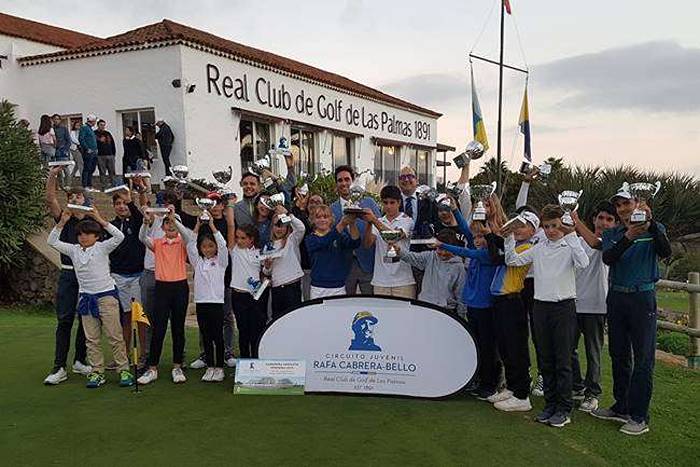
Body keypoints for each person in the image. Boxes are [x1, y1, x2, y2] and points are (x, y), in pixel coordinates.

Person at [592, 184, 672, 436]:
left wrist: (650, 224)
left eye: (627, 203)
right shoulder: (613, 234)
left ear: (638, 204)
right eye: (619, 205)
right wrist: (629, 236)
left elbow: (665, 251)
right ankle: (621, 406)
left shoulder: (655, 229)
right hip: (617, 297)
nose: (623, 209)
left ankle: (639, 416)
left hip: (642, 297)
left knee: (643, 359)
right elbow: (609, 258)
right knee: (618, 354)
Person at [506, 205, 590, 427]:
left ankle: (564, 409)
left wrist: (571, 234)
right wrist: (507, 238)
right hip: (540, 307)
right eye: (547, 226)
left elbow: (584, 263)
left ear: (561, 224)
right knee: (545, 359)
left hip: (563, 307)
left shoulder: (570, 245)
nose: (551, 230)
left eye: (555, 226)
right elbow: (513, 260)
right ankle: (550, 405)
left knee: (562, 361)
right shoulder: (539, 247)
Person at [47, 206, 133, 388]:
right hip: (86, 298)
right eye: (80, 234)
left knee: (114, 335)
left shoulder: (102, 247)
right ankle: (97, 372)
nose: (83, 237)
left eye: (88, 234)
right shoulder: (74, 250)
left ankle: (123, 369)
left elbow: (119, 237)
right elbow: (52, 241)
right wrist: (62, 222)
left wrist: (100, 219)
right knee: (91, 338)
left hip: (107, 297)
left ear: (96, 236)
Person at [437, 212, 501, 400]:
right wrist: (455, 209)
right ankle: (479, 379)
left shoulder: (488, 254)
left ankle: (490, 384)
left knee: (488, 347)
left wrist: (443, 245)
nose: (477, 240)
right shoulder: (477, 246)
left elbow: (465, 251)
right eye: (475, 237)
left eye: (482, 236)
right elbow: (465, 230)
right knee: (475, 345)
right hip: (472, 305)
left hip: (486, 307)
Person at [486, 210, 540, 411]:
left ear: (533, 231)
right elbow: (499, 248)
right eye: (516, 225)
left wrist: (500, 234)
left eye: (523, 226)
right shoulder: (515, 246)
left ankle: (522, 394)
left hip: (513, 301)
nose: (517, 229)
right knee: (505, 347)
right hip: (500, 301)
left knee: (516, 348)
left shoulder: (528, 247)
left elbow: (505, 259)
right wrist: (493, 225)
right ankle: (512, 386)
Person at [42, 166, 91, 385]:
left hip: (88, 277)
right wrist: (53, 175)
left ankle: (80, 360)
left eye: (78, 196)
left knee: (87, 320)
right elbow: (50, 198)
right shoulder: (63, 217)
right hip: (69, 276)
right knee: (64, 320)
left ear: (84, 198)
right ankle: (59, 367)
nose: (75, 199)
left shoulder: (91, 221)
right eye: (71, 196)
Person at [569, 202, 619, 413]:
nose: (604, 223)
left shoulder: (609, 243)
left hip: (597, 306)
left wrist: (575, 221)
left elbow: (596, 242)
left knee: (593, 352)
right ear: (594, 219)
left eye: (609, 219)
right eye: (601, 218)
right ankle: (577, 386)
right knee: (568, 349)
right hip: (571, 303)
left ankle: (593, 394)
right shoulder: (576, 241)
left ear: (615, 224)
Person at [137, 208, 190, 385]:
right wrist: (145, 222)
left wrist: (174, 218)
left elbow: (188, 237)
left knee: (178, 328)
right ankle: (152, 368)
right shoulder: (158, 243)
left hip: (180, 288)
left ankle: (177, 366)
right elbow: (142, 238)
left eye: (173, 222)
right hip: (162, 288)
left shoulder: (183, 242)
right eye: (167, 223)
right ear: (163, 226)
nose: (170, 225)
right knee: (158, 328)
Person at [178, 217, 228, 382]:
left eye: (210, 246)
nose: (207, 249)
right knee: (206, 336)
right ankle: (210, 367)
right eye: (204, 246)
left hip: (216, 304)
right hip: (201, 303)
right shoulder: (197, 262)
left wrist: (212, 226)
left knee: (217, 337)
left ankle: (220, 368)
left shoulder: (221, 261)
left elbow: (223, 245)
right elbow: (190, 245)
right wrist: (198, 225)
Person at [108, 181, 148, 358]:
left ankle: (142, 355)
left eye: (124, 203)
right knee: (124, 316)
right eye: (118, 204)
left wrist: (131, 200)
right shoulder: (110, 226)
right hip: (119, 276)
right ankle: (123, 356)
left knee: (139, 316)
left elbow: (140, 216)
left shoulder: (137, 222)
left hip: (138, 275)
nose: (121, 207)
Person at [331, 165, 381, 295]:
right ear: (336, 184)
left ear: (352, 180)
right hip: (344, 266)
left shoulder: (369, 203)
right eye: (340, 180)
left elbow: (379, 227)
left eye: (347, 179)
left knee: (370, 306)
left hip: (367, 262)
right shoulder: (332, 209)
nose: (344, 183)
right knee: (346, 307)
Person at [362, 185, 416, 299]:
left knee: (405, 316)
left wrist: (374, 220)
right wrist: (368, 223)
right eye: (385, 203)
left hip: (403, 280)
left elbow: (393, 237)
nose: (388, 206)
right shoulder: (378, 221)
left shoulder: (407, 220)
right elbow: (367, 244)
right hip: (380, 281)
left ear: (399, 203)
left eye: (392, 203)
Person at [398, 229, 465, 311]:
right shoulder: (429, 256)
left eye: (446, 249)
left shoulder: (459, 266)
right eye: (440, 249)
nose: (443, 253)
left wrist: (461, 315)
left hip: (446, 311)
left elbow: (461, 295)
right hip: (425, 307)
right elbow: (411, 257)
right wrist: (398, 251)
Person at [305, 205, 361, 299]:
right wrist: (342, 224)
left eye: (326, 217)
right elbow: (325, 241)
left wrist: (352, 223)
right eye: (318, 217)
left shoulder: (340, 236)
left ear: (331, 219)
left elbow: (355, 243)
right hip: (318, 288)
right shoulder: (310, 239)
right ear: (312, 220)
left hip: (338, 287)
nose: (322, 220)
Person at [229, 224, 268, 358]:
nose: (239, 241)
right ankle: (244, 363)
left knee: (256, 330)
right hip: (238, 296)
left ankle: (256, 361)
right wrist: (230, 205)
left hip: (256, 296)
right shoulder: (235, 250)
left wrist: (267, 268)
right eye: (237, 238)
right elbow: (230, 226)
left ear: (252, 239)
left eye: (243, 238)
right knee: (243, 331)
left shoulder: (260, 253)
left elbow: (265, 273)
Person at [263, 205, 306, 320]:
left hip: (292, 287)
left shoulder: (292, 240)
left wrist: (288, 214)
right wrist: (267, 267)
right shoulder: (268, 247)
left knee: (294, 318)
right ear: (272, 227)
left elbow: (301, 228)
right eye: (277, 225)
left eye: (283, 225)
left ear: (287, 227)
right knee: (277, 319)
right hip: (277, 288)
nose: (279, 229)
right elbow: (267, 271)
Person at [78, 114, 99, 191]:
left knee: (92, 168)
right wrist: (87, 148)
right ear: (92, 121)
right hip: (89, 152)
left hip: (94, 151)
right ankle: (85, 185)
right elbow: (81, 139)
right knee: (87, 168)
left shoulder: (90, 129)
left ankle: (90, 185)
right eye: (95, 121)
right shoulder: (84, 128)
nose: (95, 122)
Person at [94, 119, 117, 188]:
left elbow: (112, 144)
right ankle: (103, 186)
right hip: (100, 155)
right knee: (102, 172)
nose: (103, 126)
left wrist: (113, 154)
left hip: (110, 155)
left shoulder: (108, 133)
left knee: (112, 172)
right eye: (101, 125)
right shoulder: (94, 134)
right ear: (98, 125)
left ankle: (113, 186)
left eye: (104, 125)